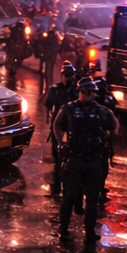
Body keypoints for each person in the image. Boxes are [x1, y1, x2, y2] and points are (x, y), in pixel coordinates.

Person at [54, 76, 117, 247]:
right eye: (85, 91)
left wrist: (107, 144)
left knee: (92, 199)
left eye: (91, 92)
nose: (88, 95)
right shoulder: (69, 109)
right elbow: (57, 124)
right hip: (75, 157)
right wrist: (61, 143)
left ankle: (90, 232)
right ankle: (64, 229)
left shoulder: (102, 111)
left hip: (93, 159)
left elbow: (112, 127)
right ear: (80, 91)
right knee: (69, 197)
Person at [44, 62, 78, 198]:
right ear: (62, 75)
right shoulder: (55, 89)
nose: (69, 78)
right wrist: (49, 118)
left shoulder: (76, 90)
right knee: (56, 151)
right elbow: (48, 104)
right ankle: (57, 178)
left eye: (71, 75)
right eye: (67, 75)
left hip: (71, 124)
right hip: (58, 123)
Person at [4, 20, 29, 89]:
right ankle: (11, 69)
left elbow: (25, 40)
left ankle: (12, 69)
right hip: (14, 48)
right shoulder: (15, 31)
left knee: (18, 58)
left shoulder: (20, 31)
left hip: (16, 48)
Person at [36, 25, 61, 92]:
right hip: (50, 53)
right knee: (49, 68)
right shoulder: (54, 38)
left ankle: (49, 84)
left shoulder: (53, 38)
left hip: (50, 53)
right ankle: (48, 83)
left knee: (49, 68)